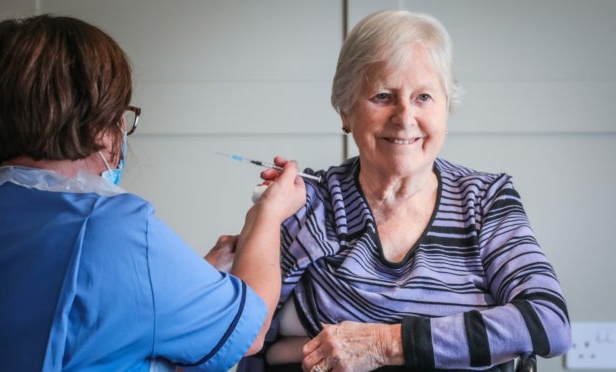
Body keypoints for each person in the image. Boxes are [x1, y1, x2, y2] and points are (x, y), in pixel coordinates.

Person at [237, 10, 571, 372]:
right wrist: (265, 219)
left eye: (423, 97)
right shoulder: (311, 202)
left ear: (447, 107)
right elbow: (246, 338)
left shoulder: (484, 200)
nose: (404, 117)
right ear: (345, 111)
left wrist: (385, 344)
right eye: (382, 96)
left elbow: (547, 321)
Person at [0, 15, 306, 371]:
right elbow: (249, 333)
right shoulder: (109, 226)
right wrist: (268, 214)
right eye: (121, 115)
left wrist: (191, 282)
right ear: (97, 125)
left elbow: (96, 317)